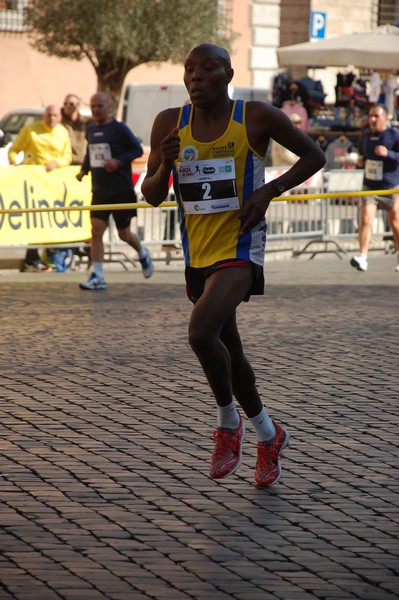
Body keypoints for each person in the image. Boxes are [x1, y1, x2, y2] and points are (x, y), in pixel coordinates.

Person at [141, 44, 326, 487]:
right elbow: (151, 195)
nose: (196, 77)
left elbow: (314, 156)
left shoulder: (256, 116)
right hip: (197, 253)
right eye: (189, 70)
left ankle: (228, 424)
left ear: (227, 73)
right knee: (231, 350)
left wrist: (269, 191)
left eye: (207, 69)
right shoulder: (169, 122)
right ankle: (269, 432)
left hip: (241, 247)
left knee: (200, 332)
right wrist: (165, 163)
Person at [77, 92, 154, 290]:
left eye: (99, 106)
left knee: (124, 234)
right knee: (96, 232)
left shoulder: (119, 129)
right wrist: (84, 170)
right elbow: (90, 153)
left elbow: (137, 149)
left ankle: (143, 253)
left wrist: (118, 161)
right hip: (100, 190)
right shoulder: (91, 129)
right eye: (93, 106)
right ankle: (98, 276)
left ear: (109, 107)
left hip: (121, 189)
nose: (96, 110)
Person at [8, 104, 72, 271]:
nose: (51, 118)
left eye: (55, 115)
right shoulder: (30, 129)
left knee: (52, 220)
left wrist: (56, 163)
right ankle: (32, 257)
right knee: (35, 220)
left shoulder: (63, 132)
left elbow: (67, 157)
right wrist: (16, 164)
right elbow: (14, 150)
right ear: (44, 115)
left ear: (60, 117)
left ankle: (51, 257)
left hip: (54, 186)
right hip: (34, 185)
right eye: (48, 115)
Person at [350, 103, 399, 273]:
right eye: (370, 116)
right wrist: (360, 161)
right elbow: (363, 156)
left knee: (395, 222)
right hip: (370, 185)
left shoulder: (393, 135)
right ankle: (362, 257)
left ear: (385, 118)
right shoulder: (365, 135)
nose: (372, 119)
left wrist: (389, 154)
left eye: (376, 116)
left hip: (390, 186)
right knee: (365, 220)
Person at [61, 93, 87, 166]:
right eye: (65, 104)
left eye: (71, 104)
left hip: (82, 164)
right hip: (67, 164)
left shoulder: (84, 122)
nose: (67, 106)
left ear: (78, 105)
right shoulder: (60, 123)